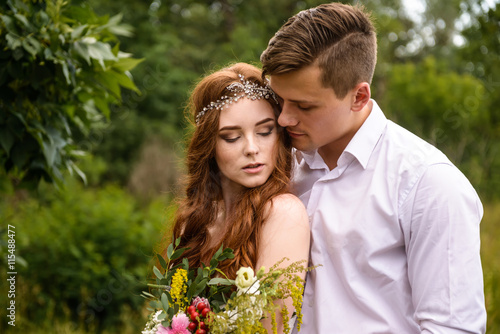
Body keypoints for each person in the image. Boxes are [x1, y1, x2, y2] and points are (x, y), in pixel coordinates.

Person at [260, 2, 486, 333]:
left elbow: (452, 327)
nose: (284, 118)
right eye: (280, 100)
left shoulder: (429, 184)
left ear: (359, 97)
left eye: (304, 106)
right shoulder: (275, 165)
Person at [162, 62, 310, 333]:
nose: (252, 148)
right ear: (209, 145)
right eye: (231, 137)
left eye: (265, 131)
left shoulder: (282, 212)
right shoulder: (192, 223)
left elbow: (269, 327)